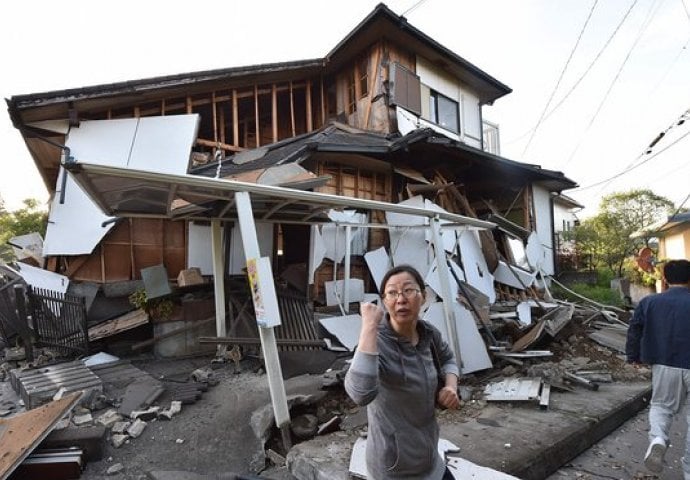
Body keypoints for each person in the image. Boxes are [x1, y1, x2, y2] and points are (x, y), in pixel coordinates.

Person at [344, 264, 461, 480]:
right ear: (384, 300)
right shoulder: (374, 343)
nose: (401, 299)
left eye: (408, 290)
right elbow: (360, 393)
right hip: (394, 468)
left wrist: (450, 386)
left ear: (423, 296)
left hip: (430, 457)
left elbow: (448, 359)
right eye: (392, 293)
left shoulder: (429, 334)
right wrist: (369, 326)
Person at [626, 259, 690, 478]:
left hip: (664, 363)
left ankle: (659, 438)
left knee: (662, 406)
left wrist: (633, 356)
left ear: (665, 279)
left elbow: (634, 329)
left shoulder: (649, 302)